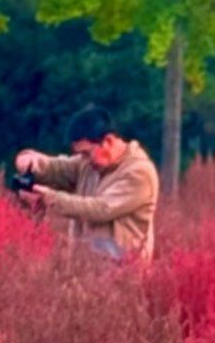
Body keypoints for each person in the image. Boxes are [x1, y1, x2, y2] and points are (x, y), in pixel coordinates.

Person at [14, 109, 158, 262]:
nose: (83, 159)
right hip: (86, 272)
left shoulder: (139, 172)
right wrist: (30, 161)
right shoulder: (89, 163)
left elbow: (100, 209)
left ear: (108, 142)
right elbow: (58, 168)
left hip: (123, 275)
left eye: (86, 153)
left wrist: (49, 199)